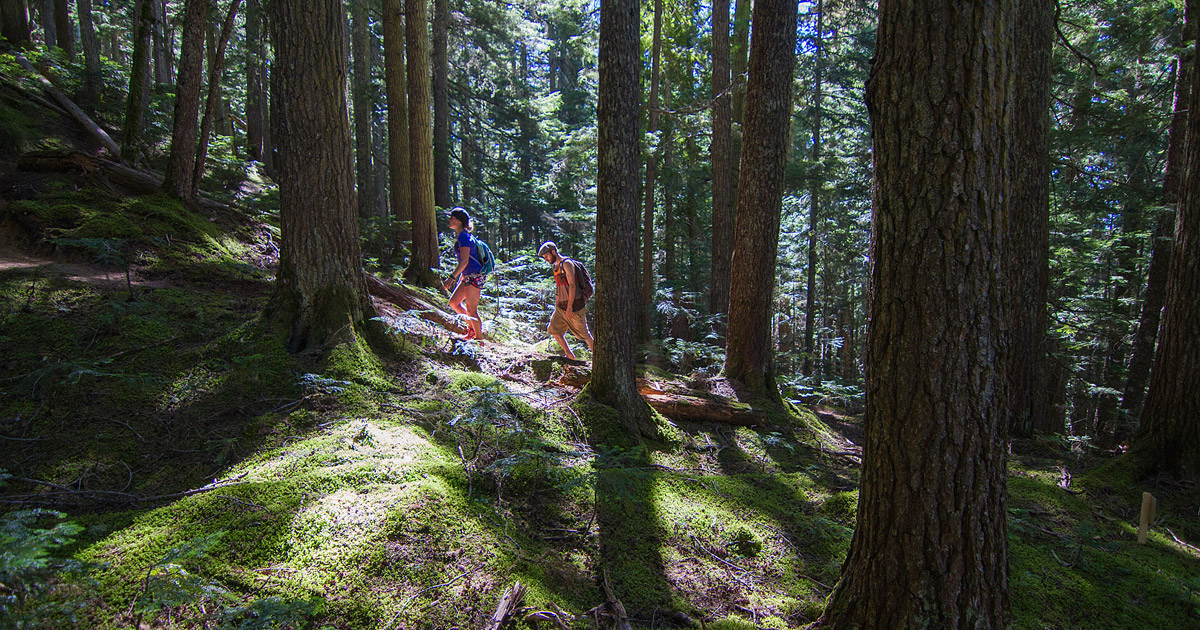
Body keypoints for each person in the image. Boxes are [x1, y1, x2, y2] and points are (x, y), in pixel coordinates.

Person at [538, 241, 593, 360]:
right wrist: (557, 306)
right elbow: (559, 287)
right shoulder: (555, 267)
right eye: (544, 257)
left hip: (575, 306)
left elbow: (572, 286)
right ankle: (569, 354)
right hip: (561, 307)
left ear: (553, 252)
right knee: (554, 330)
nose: (546, 259)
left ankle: (600, 360)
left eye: (546, 256)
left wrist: (569, 307)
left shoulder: (567, 263)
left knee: (584, 335)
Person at [443, 207, 485, 340]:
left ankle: (479, 341)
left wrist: (452, 277)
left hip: (474, 276)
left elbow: (465, 261)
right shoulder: (463, 236)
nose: (450, 220)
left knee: (472, 309)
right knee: (454, 302)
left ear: (459, 221)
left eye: (452, 218)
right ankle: (472, 328)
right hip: (468, 276)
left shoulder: (465, 238)